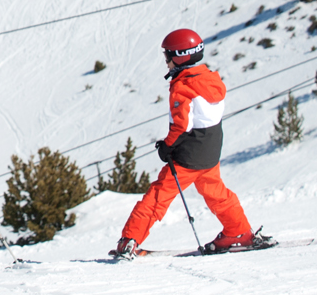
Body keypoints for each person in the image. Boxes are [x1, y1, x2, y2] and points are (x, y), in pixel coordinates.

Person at [113, 29, 264, 258]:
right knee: (217, 194)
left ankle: (130, 241)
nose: (166, 62)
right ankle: (239, 232)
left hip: (188, 157)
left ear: (180, 56)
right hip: (210, 151)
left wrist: (167, 146)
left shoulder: (183, 86)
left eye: (168, 56)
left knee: (158, 196)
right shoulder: (211, 80)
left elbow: (181, 125)